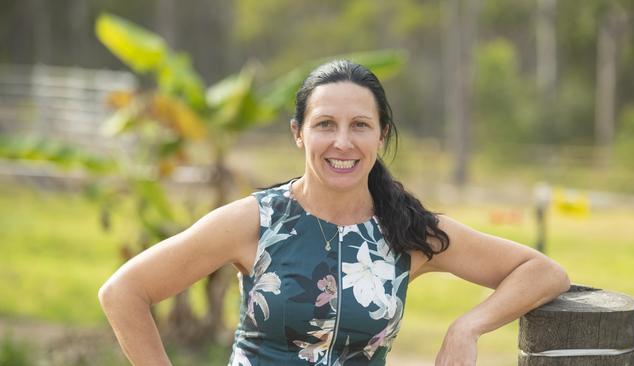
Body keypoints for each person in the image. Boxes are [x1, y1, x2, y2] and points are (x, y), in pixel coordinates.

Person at [98, 60, 571, 366]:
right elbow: (124, 293)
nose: (342, 142)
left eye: (360, 126)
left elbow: (543, 272)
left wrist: (467, 328)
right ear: (298, 133)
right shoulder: (255, 222)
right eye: (325, 124)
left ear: (381, 136)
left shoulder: (406, 231)